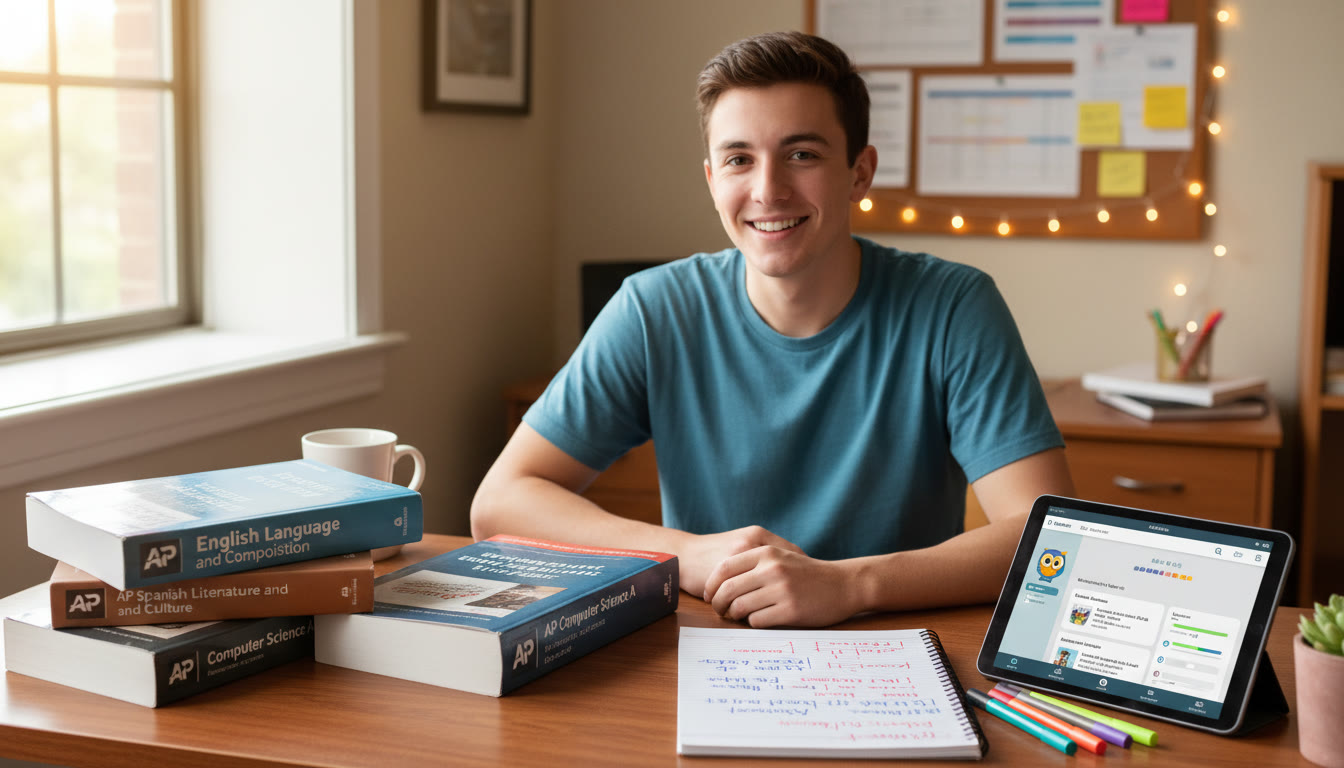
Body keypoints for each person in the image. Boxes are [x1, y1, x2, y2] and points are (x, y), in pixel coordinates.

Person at [471, 30, 1074, 628]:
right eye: (739, 159)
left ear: (859, 173)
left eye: (802, 155)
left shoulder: (953, 306)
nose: (768, 190)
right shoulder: (655, 309)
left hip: (892, 650)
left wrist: (851, 584)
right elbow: (499, 503)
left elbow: (1048, 540)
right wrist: (689, 554)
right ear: (712, 181)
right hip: (709, 646)